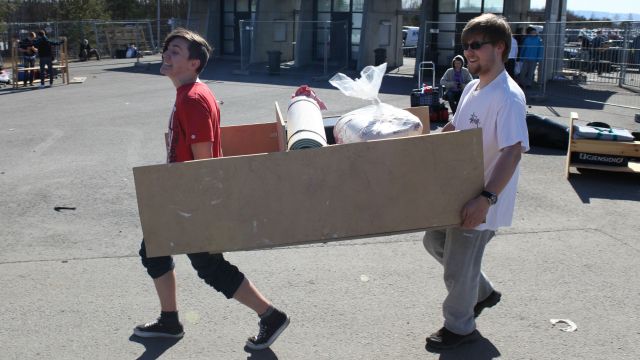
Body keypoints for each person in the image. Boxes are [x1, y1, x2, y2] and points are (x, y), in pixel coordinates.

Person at [134, 28, 289, 351]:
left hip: (193, 198)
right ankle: (170, 320)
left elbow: (202, 161)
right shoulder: (189, 92)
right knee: (156, 252)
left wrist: (189, 205)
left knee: (208, 267)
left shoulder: (192, 99)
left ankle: (270, 315)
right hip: (187, 197)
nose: (166, 54)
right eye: (167, 49)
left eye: (175, 51)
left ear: (194, 63)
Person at [423, 13, 529, 351]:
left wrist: (485, 198)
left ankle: (460, 327)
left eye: (476, 46)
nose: (468, 52)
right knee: (434, 242)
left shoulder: (508, 97)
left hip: (482, 198)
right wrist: (424, 144)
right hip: (459, 189)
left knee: (457, 266)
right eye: (465, 46)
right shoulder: (472, 86)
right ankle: (482, 292)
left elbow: (513, 152)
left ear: (499, 48)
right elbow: (456, 127)